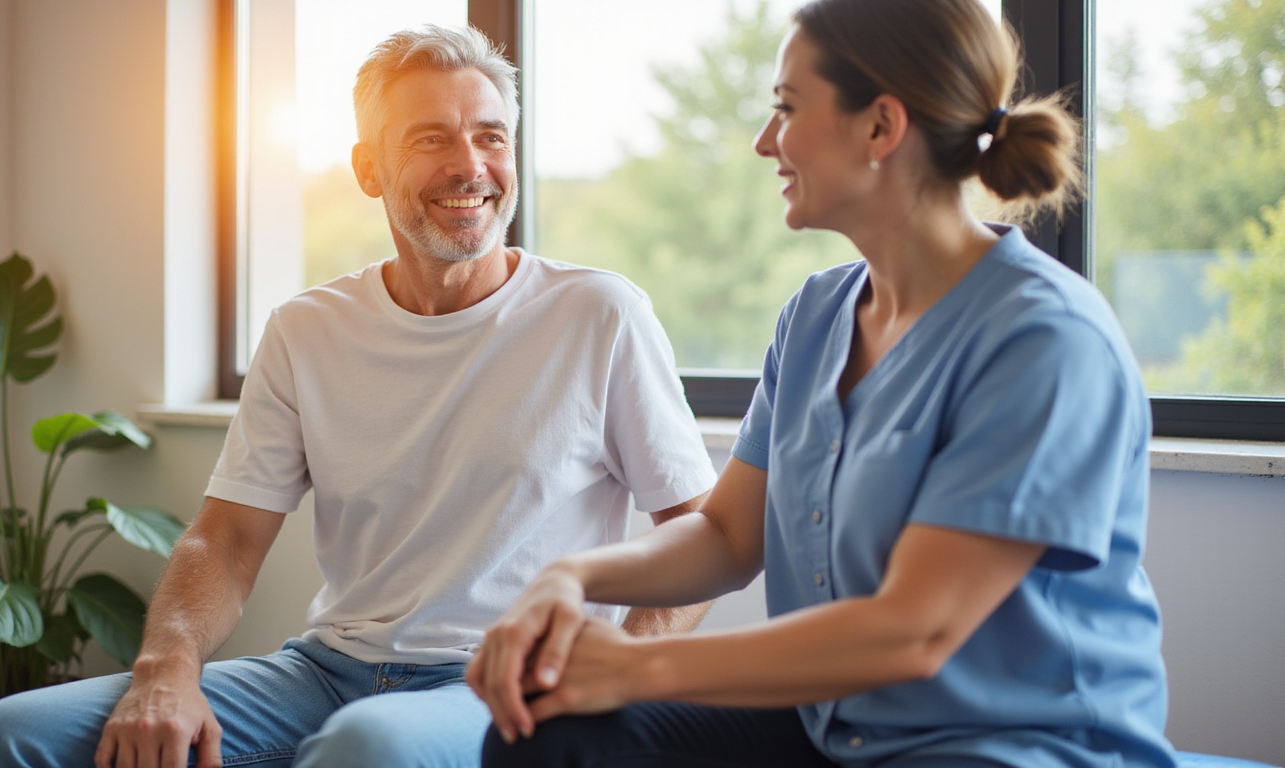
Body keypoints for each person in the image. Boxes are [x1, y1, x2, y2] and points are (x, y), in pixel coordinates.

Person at [0, 24, 717, 768]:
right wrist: (165, 669)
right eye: (431, 139)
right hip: (323, 674)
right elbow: (226, 541)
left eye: (490, 136)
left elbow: (697, 530)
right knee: (4, 737)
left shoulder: (600, 314)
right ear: (368, 168)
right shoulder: (305, 330)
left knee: (365, 750)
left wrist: (618, 675)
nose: (470, 166)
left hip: (501, 685)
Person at [467, 1, 1179, 766]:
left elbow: (915, 630)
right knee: (548, 734)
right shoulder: (815, 316)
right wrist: (572, 576)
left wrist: (633, 665)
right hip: (837, 733)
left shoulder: (1044, 341)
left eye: (786, 108)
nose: (764, 140)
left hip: (1008, 748)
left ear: (880, 127)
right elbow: (728, 535)